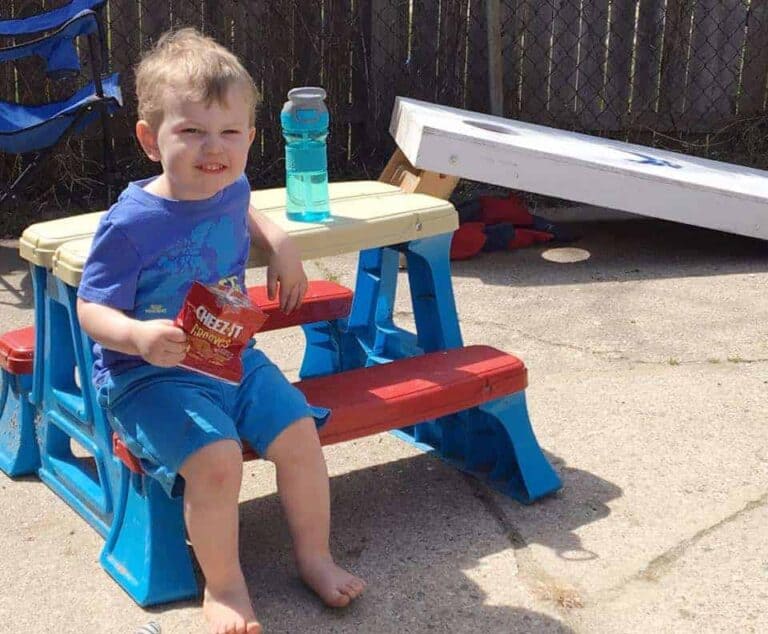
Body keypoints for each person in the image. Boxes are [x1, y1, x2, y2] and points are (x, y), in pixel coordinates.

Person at [77, 27, 365, 634]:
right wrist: (136, 336)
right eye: (192, 132)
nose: (215, 148)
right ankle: (225, 585)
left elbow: (243, 201)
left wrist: (281, 242)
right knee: (216, 461)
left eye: (230, 133)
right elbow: (89, 309)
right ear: (150, 141)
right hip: (146, 376)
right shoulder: (130, 223)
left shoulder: (230, 184)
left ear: (251, 138)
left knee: (298, 437)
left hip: (230, 357)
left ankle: (314, 557)